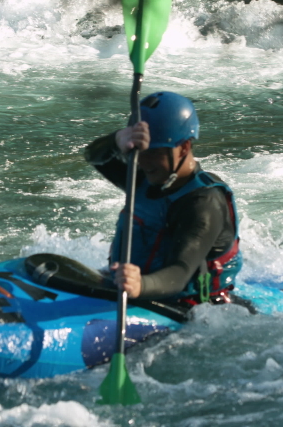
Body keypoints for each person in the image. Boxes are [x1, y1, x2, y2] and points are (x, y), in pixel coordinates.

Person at [84, 91, 242, 307]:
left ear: (184, 147)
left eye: (154, 152)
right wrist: (117, 139)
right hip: (135, 293)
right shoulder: (147, 177)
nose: (143, 161)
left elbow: (180, 273)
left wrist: (140, 285)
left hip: (195, 309)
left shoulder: (204, 203)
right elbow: (94, 157)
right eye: (140, 151)